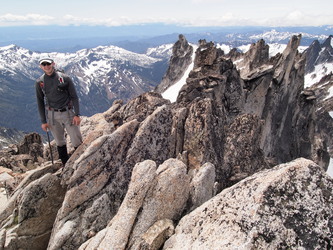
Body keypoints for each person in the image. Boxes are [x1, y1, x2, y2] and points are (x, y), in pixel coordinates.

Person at [35, 58, 83, 165]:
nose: (47, 66)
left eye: (48, 64)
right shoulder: (40, 82)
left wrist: (77, 114)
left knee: (76, 139)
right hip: (52, 115)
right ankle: (65, 165)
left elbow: (74, 96)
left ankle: (80, 163)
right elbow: (40, 102)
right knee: (59, 141)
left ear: (53, 64)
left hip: (68, 113)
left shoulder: (65, 78)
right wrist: (43, 121)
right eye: (44, 64)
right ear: (41, 67)